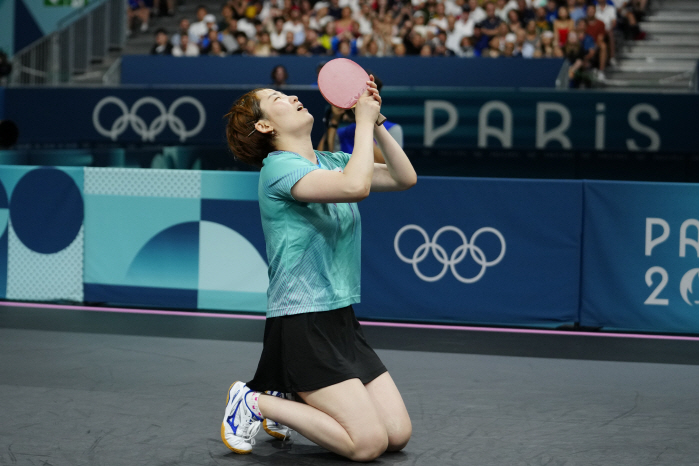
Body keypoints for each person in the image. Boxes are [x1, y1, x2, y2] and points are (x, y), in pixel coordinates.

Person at [221, 79, 416, 461]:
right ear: (264, 126)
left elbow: (403, 178)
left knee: (397, 434)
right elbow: (355, 187)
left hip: (340, 317)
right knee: (367, 445)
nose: (293, 96)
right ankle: (255, 401)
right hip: (301, 321)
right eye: (278, 99)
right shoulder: (277, 169)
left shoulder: (332, 162)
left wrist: (375, 122)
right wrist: (360, 121)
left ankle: (290, 393)